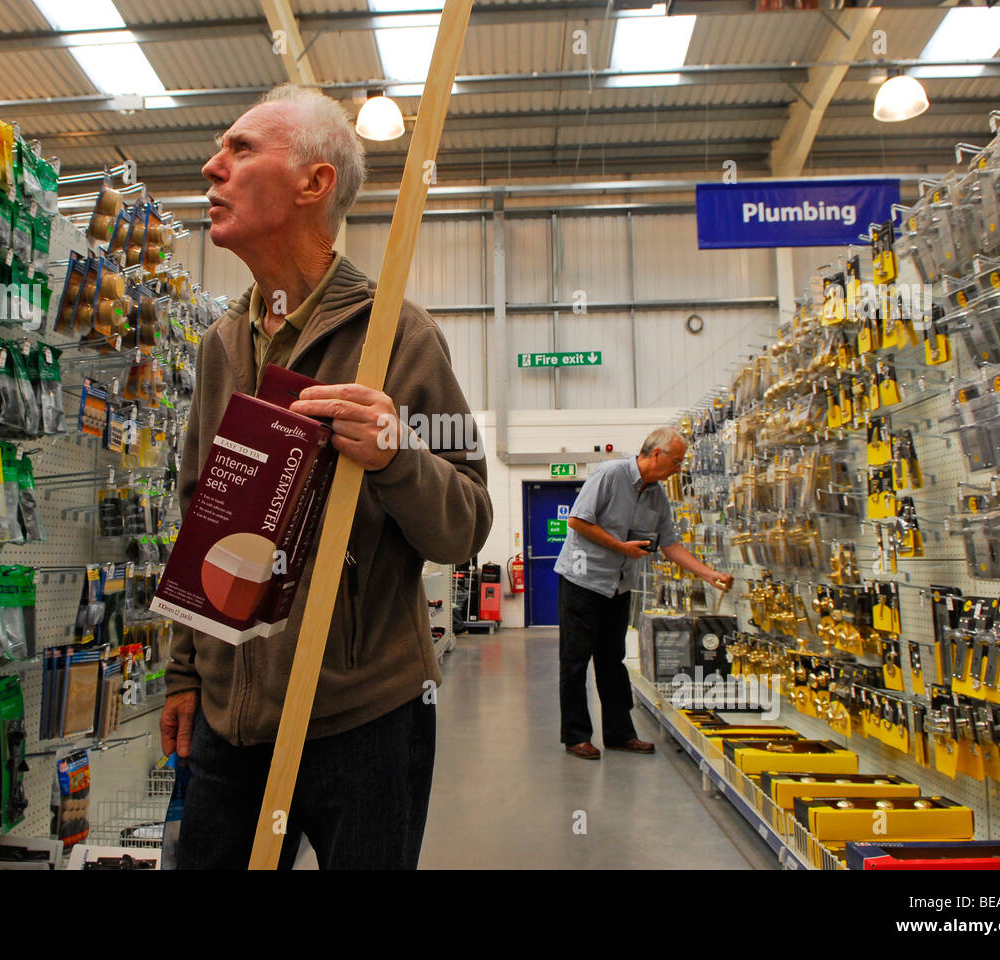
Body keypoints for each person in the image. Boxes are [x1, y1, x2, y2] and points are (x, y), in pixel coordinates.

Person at [160, 84, 492, 868]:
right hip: (227, 723)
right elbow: (195, 518)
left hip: (363, 719)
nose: (213, 168)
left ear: (315, 184)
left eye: (241, 150)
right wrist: (183, 674)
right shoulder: (219, 348)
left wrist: (396, 456)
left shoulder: (398, 338)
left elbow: (468, 524)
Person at [552, 427, 733, 760]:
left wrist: (710, 575)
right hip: (583, 580)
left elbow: (671, 545)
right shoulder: (610, 474)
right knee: (575, 662)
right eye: (677, 461)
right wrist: (620, 546)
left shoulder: (658, 496)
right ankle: (576, 736)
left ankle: (621, 734)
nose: (679, 469)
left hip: (618, 586)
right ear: (657, 455)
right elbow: (577, 521)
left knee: (612, 660)